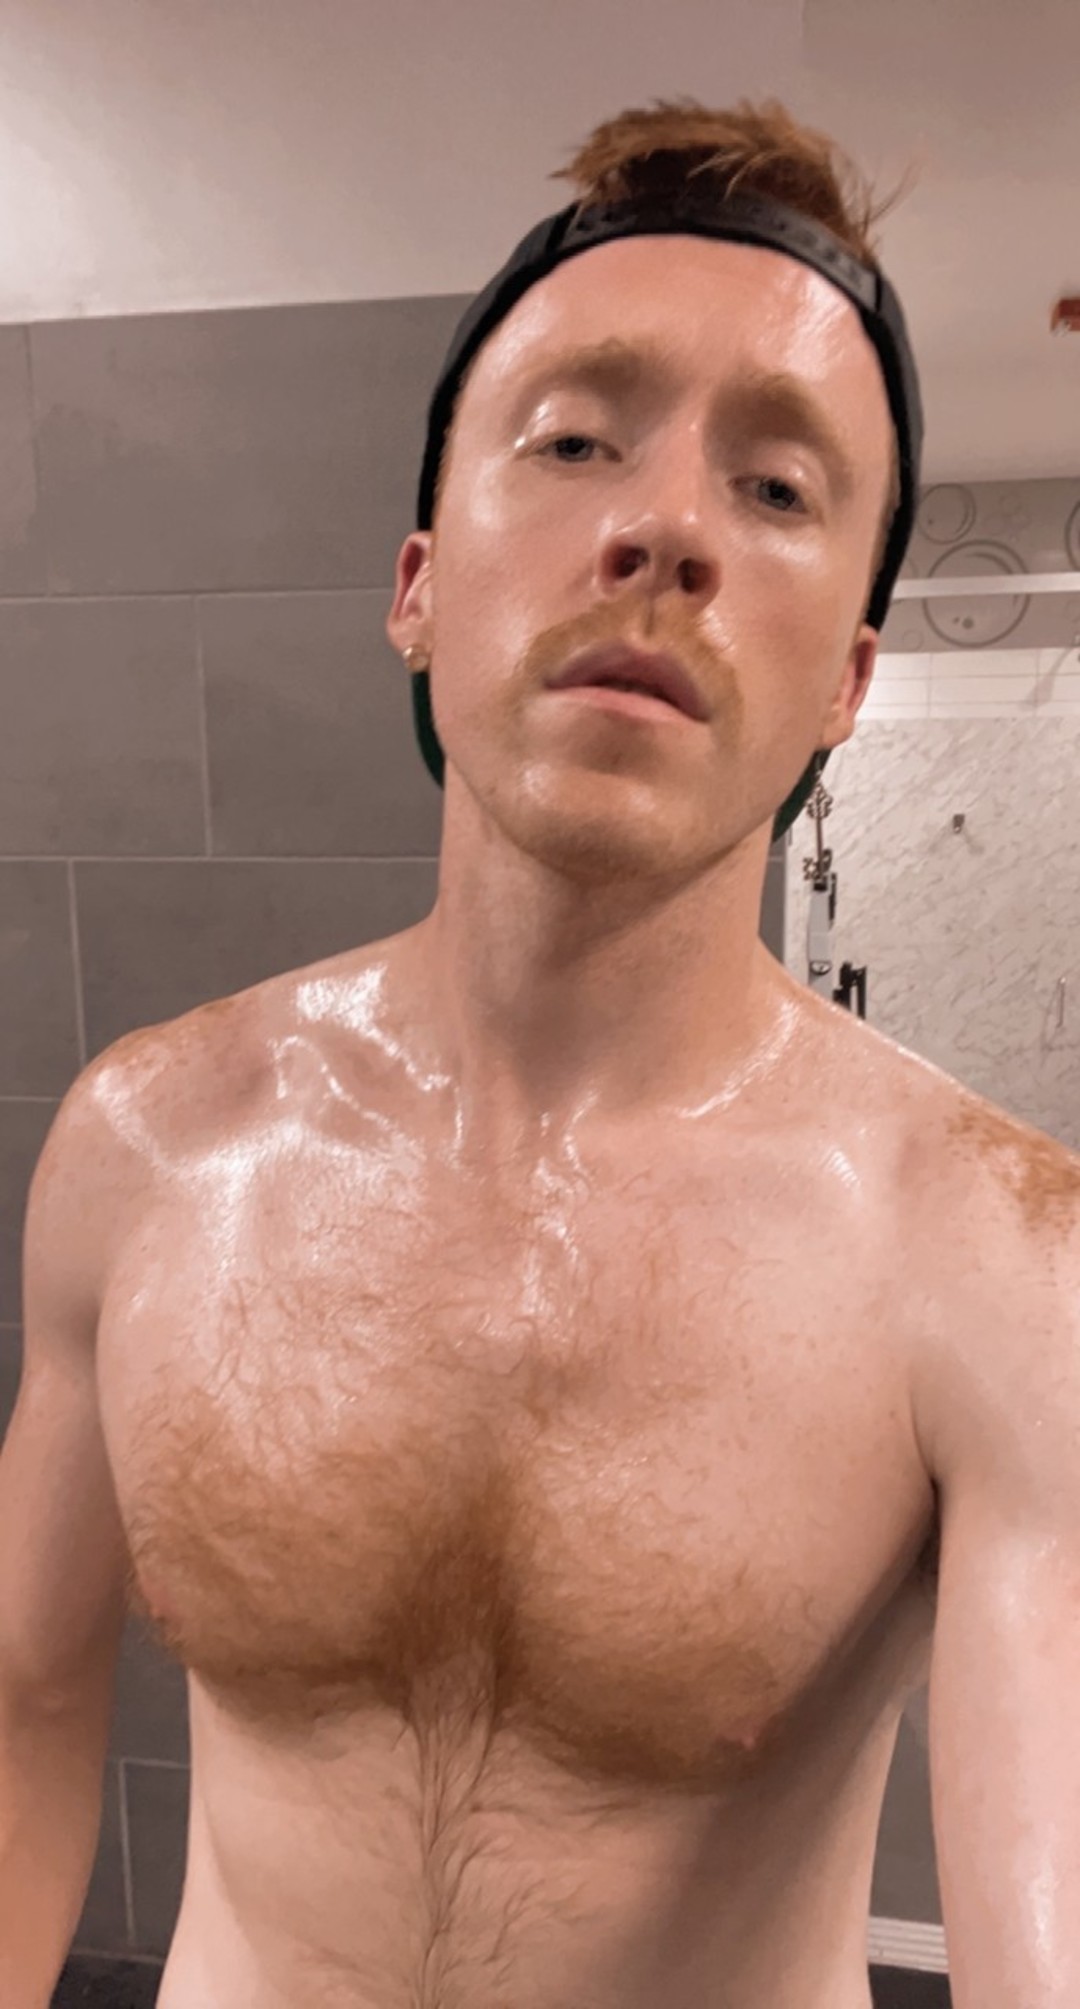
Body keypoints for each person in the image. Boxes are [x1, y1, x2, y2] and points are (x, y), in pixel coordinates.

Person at [6, 95, 1080, 2009]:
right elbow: (20, 1706)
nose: (665, 528)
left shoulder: (995, 1255)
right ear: (420, 585)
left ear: (847, 679)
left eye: (777, 488)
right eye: (577, 441)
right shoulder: (148, 1146)